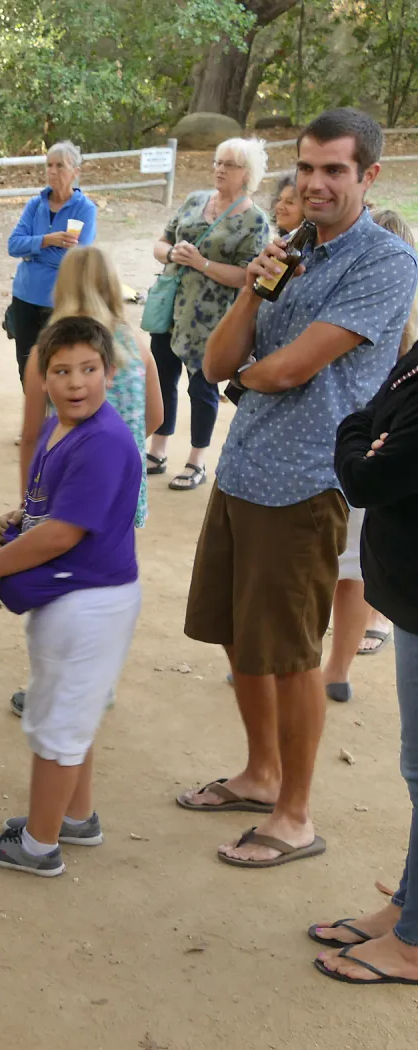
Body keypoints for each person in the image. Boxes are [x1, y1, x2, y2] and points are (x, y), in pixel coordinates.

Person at [179, 108, 418, 868]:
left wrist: (246, 385)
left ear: (368, 175)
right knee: (235, 632)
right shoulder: (291, 250)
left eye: (334, 170)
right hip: (244, 468)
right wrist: (255, 286)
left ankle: (295, 814)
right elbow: (217, 363)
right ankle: (259, 774)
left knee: (289, 653)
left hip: (309, 482)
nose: (315, 183)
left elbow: (286, 370)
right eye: (306, 167)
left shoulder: (384, 262)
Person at [0, 316, 143, 876]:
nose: (76, 383)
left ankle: (39, 847)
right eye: (62, 371)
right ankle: (75, 816)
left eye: (89, 370)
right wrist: (21, 517)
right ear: (42, 377)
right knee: (73, 706)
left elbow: (64, 532)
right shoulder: (60, 428)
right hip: (72, 596)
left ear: (110, 373)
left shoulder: (103, 442)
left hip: (90, 600)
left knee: (58, 722)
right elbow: (48, 508)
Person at [8, 246, 164, 716]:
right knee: (107, 578)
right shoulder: (134, 343)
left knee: (62, 583)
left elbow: (33, 434)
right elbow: (154, 415)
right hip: (123, 491)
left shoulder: (50, 352)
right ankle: (100, 682)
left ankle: (63, 685)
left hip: (64, 490)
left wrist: (27, 501)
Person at [311, 319, 418, 984]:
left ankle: (412, 945)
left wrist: (361, 445)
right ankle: (406, 910)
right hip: (407, 593)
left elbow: (367, 478)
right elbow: (371, 414)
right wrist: (365, 436)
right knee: (416, 768)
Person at [324, 209, 416, 702]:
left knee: (347, 563)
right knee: (348, 564)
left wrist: (365, 442)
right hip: (354, 456)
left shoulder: (398, 328)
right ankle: (333, 667)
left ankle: (330, 667)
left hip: (357, 465)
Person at [146, 137, 270, 492]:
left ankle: (196, 460)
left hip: (214, 319)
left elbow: (251, 277)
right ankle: (158, 450)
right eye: (218, 161)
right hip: (171, 310)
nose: (219, 169)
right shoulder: (195, 200)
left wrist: (201, 263)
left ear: (247, 173)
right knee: (163, 378)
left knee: (203, 388)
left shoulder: (254, 220)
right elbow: (160, 244)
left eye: (229, 164)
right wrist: (173, 255)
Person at [6, 141, 96, 383]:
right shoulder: (35, 205)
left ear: (76, 171)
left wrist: (32, 250)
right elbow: (13, 245)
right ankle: (37, 422)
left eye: (60, 165)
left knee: (58, 368)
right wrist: (48, 240)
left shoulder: (85, 209)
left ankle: (57, 421)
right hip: (25, 297)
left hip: (59, 300)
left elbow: (75, 258)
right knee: (27, 370)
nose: (53, 171)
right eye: (49, 165)